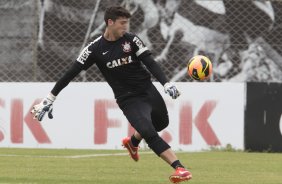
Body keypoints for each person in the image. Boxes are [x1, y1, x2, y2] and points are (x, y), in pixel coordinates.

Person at [31, 6, 192, 183]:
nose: (126, 27)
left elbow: (150, 62)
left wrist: (166, 84)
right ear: (110, 23)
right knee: (148, 131)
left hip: (147, 90)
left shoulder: (132, 40)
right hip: (128, 99)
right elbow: (70, 73)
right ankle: (180, 168)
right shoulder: (94, 49)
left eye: (127, 23)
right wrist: (50, 98)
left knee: (162, 122)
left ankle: (132, 142)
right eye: (122, 23)